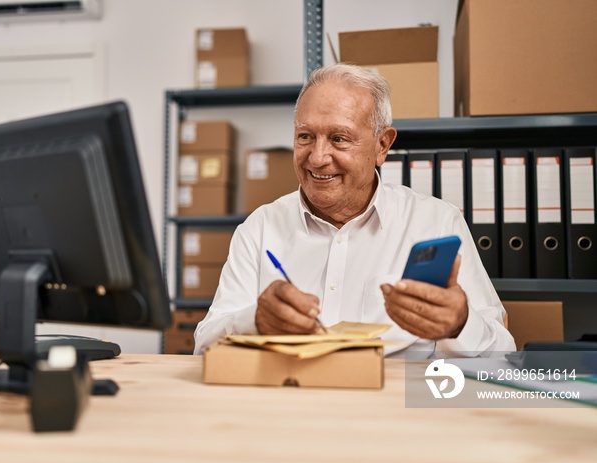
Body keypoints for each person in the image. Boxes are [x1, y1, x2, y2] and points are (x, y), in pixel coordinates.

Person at [193, 63, 515, 357]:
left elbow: (503, 352)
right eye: (305, 136)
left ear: (382, 146)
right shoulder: (260, 228)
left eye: (339, 139)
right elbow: (203, 348)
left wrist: (459, 324)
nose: (317, 157)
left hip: (395, 412)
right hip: (292, 408)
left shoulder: (437, 222)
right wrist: (255, 320)